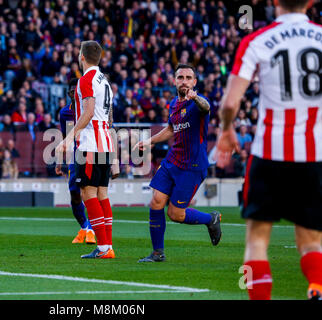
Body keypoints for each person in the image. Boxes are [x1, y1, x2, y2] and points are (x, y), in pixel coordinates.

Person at [216, 0, 322, 300]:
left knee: (257, 240)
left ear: (275, 1)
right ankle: (316, 288)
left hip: (268, 154)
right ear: (311, 2)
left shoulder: (256, 40)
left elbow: (229, 103)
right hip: (313, 156)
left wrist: (226, 130)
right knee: (312, 241)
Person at [134, 64, 222, 263]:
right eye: (180, 77)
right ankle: (158, 253)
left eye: (188, 77)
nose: (184, 81)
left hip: (191, 166)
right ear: (174, 80)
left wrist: (195, 97)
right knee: (156, 201)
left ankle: (211, 219)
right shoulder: (174, 103)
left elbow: (206, 107)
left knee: (175, 214)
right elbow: (171, 129)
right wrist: (149, 141)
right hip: (172, 160)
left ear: (194, 82)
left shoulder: (198, 103)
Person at [56, 40, 115, 259]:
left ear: (82, 56)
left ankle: (102, 248)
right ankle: (107, 246)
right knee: (102, 194)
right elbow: (108, 117)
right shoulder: (105, 81)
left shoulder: (86, 80)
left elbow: (88, 111)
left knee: (87, 193)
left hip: (90, 144)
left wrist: (69, 137)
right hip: (105, 144)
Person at [56, 78, 96, 245]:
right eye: (72, 91)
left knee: (91, 192)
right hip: (77, 154)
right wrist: (59, 161)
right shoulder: (65, 113)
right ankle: (85, 227)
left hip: (94, 152)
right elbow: (65, 137)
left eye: (77, 91)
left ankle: (92, 230)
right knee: (74, 192)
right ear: (69, 94)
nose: (75, 94)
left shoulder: (90, 109)